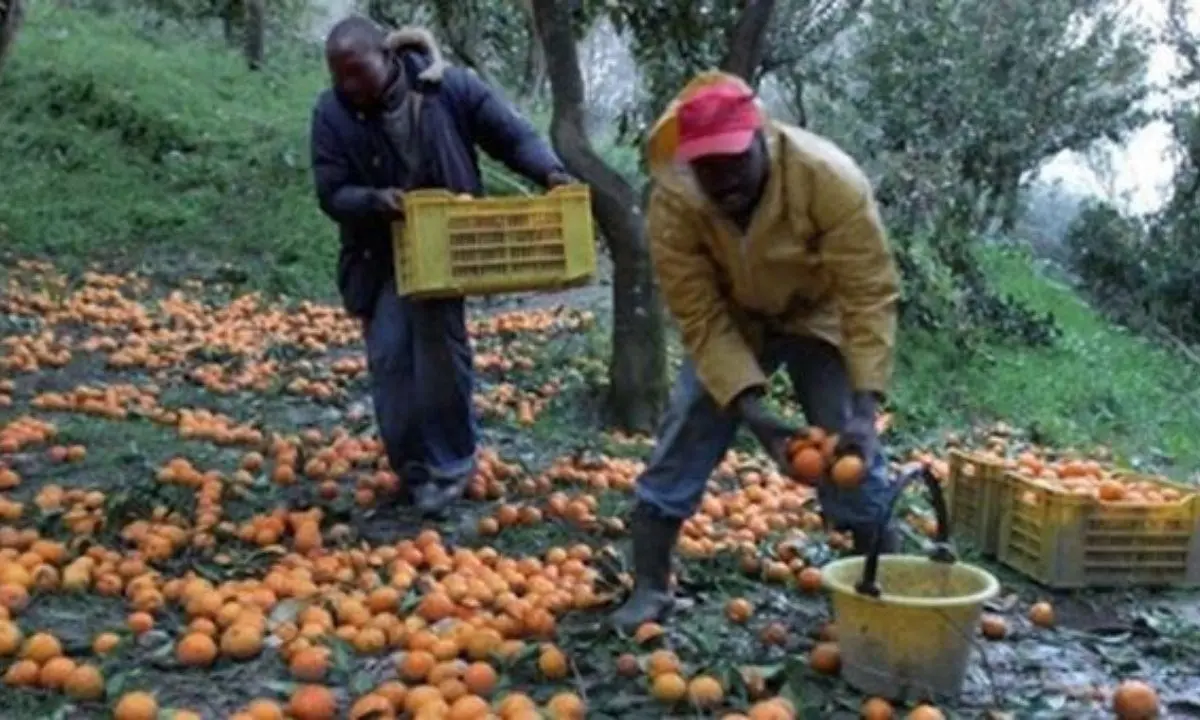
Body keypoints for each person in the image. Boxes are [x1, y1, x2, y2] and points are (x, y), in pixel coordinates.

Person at [611, 72, 902, 632]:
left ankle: (881, 585)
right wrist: (753, 414)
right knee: (690, 421)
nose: (722, 182)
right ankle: (650, 585)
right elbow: (697, 311)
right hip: (734, 318)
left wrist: (866, 412)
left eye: (733, 162)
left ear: (761, 140)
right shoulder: (675, 205)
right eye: (706, 167)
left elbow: (868, 294)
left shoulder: (827, 179)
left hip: (816, 313)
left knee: (846, 441)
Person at [310, 16, 573, 516]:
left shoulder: (445, 87)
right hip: (379, 255)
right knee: (391, 360)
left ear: (386, 58)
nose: (348, 85)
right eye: (338, 75)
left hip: (444, 246)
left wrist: (550, 171)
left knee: (438, 358)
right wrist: (375, 199)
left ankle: (452, 466)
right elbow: (330, 191)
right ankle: (413, 473)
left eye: (356, 71)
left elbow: (510, 136)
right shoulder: (332, 113)